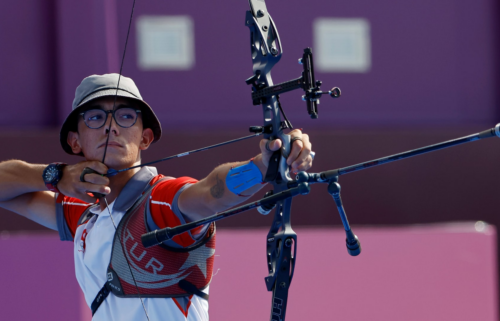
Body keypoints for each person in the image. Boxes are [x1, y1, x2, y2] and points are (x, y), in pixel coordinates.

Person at [0, 74, 313, 320]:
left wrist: (262, 167)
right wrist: (55, 175)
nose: (111, 127)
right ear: (75, 141)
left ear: (145, 137)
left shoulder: (160, 201)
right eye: (95, 117)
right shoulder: (82, 212)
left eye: (125, 117)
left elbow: (209, 195)